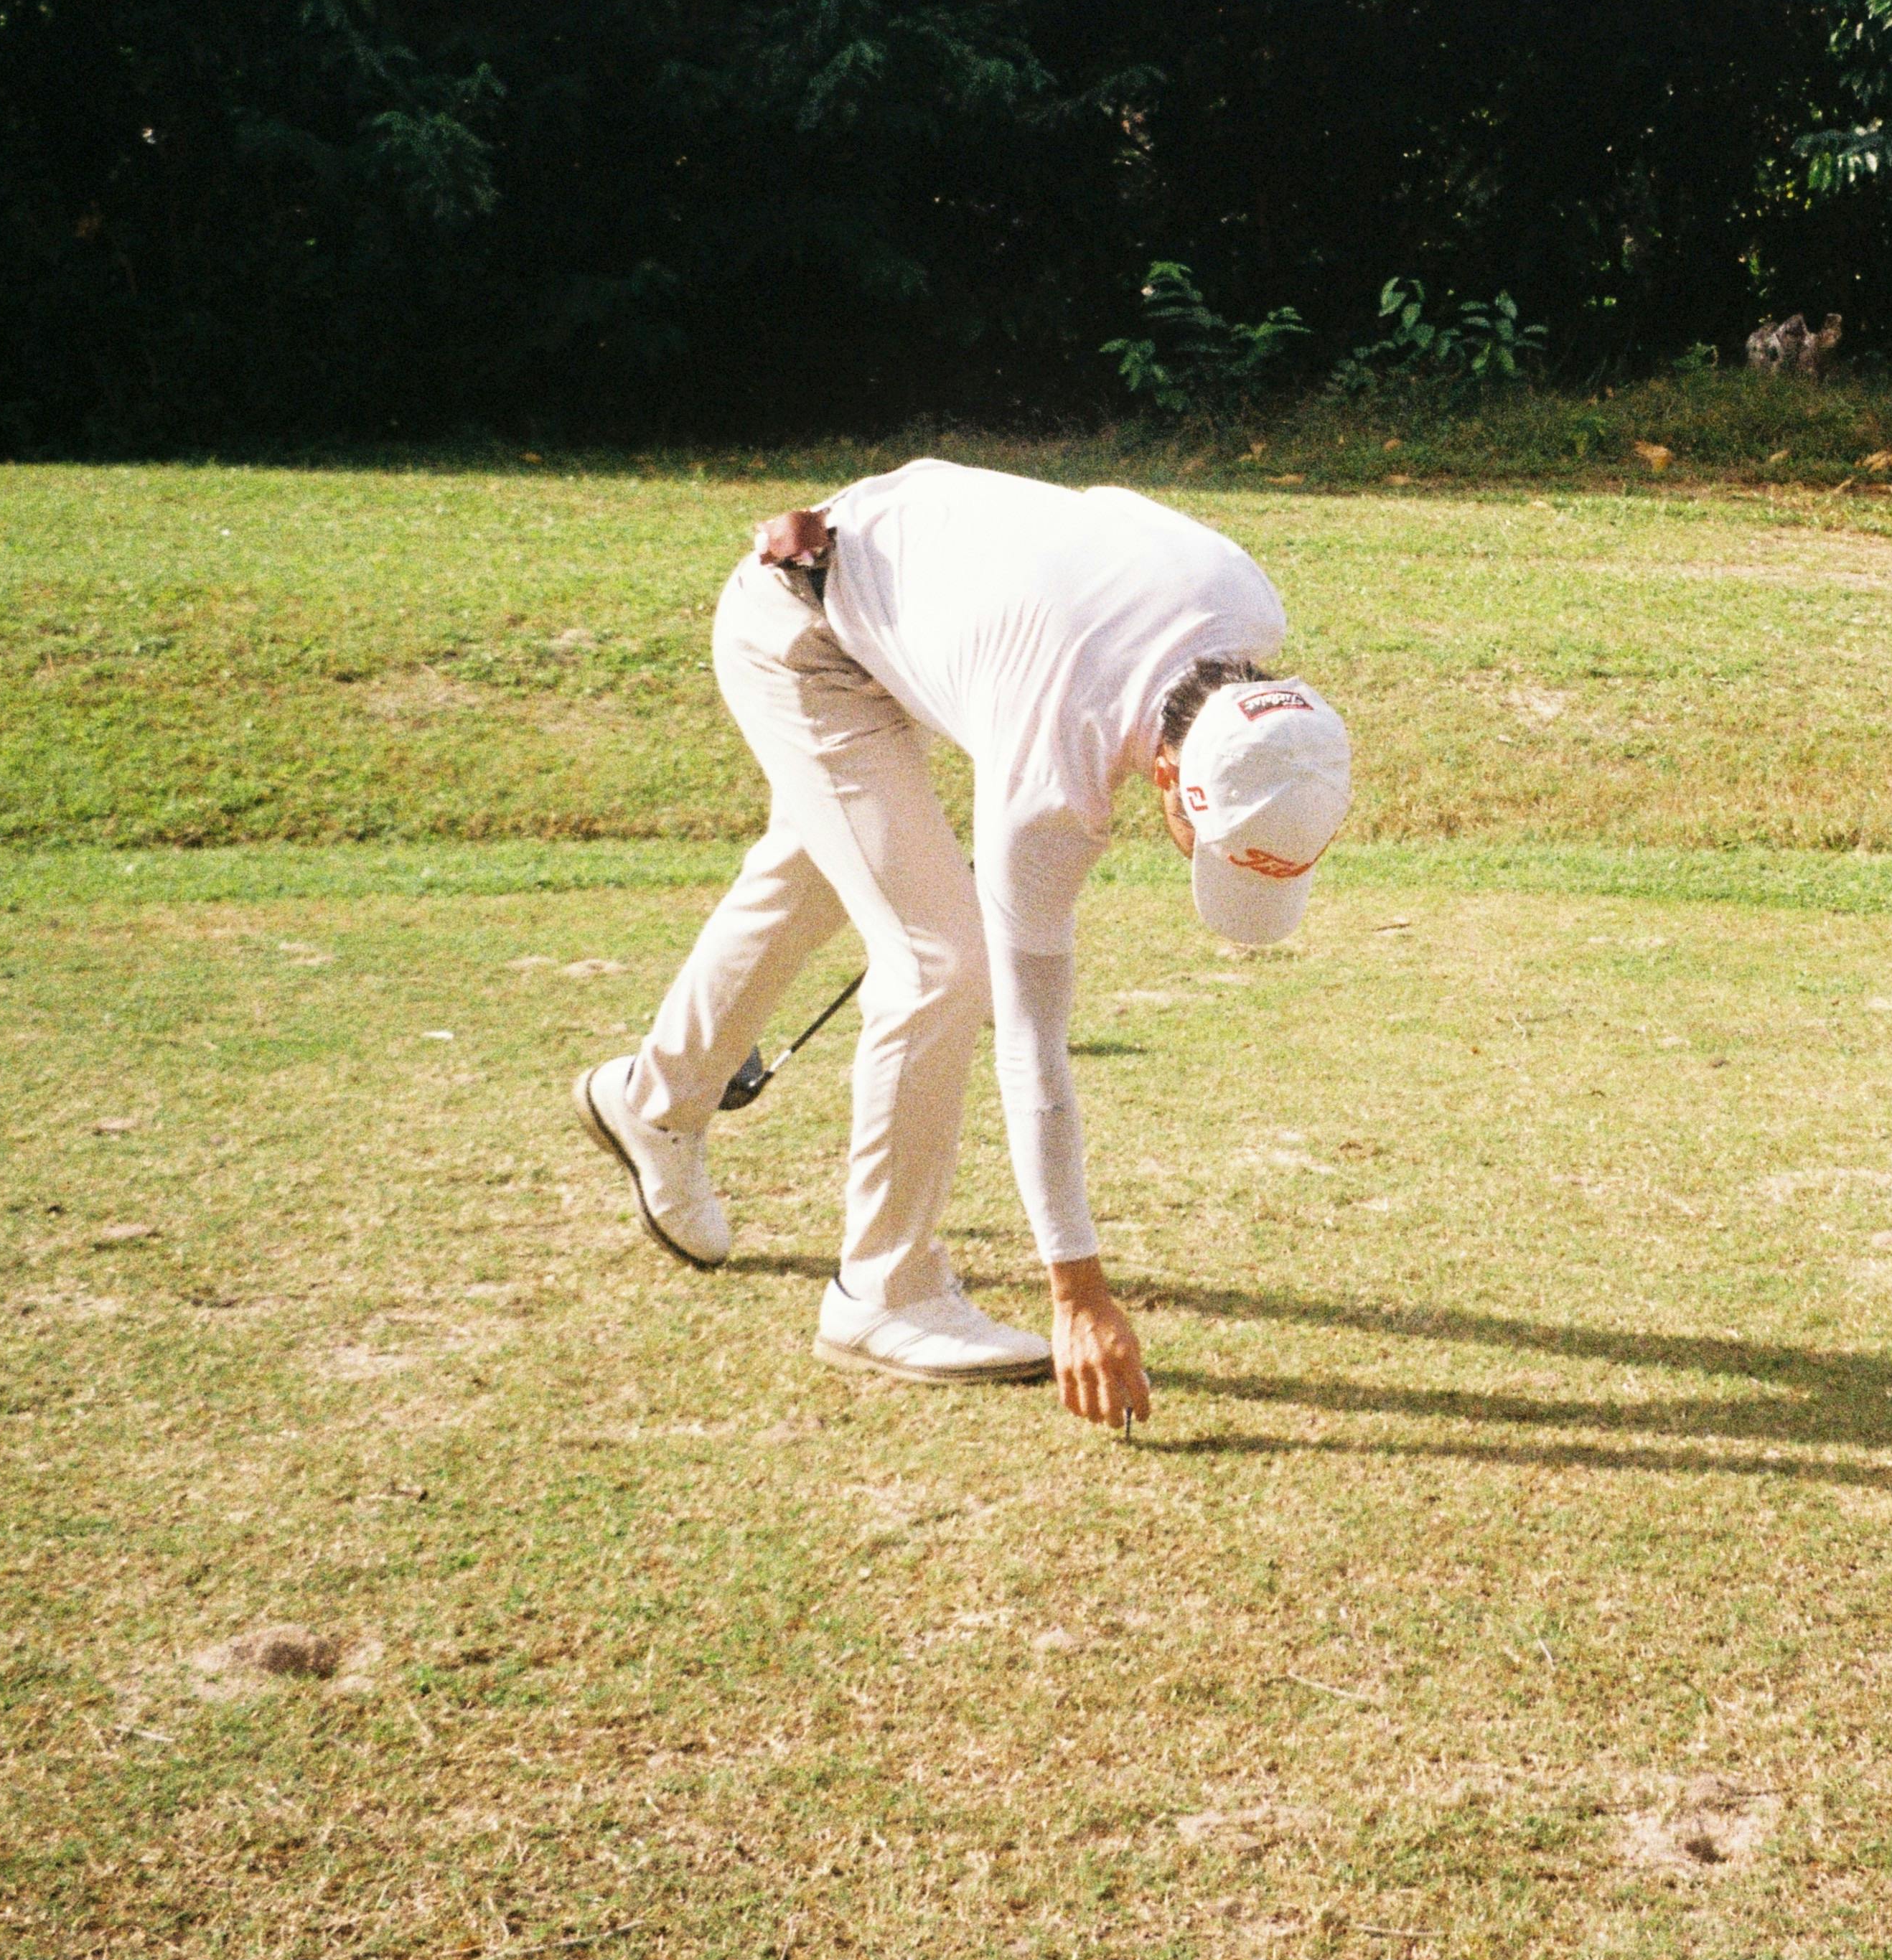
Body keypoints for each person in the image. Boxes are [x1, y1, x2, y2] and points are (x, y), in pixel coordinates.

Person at [572, 459, 1352, 1429]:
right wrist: (1078, 1292)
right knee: (940, 959)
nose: (1203, 862)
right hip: (800, 627)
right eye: (1214, 849)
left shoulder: (1246, 602)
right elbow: (1032, 1046)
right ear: (1167, 774)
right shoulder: (1053, 770)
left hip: (886, 587)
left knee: (819, 866)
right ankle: (882, 1292)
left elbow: (1098, 521)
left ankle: (653, 1099)